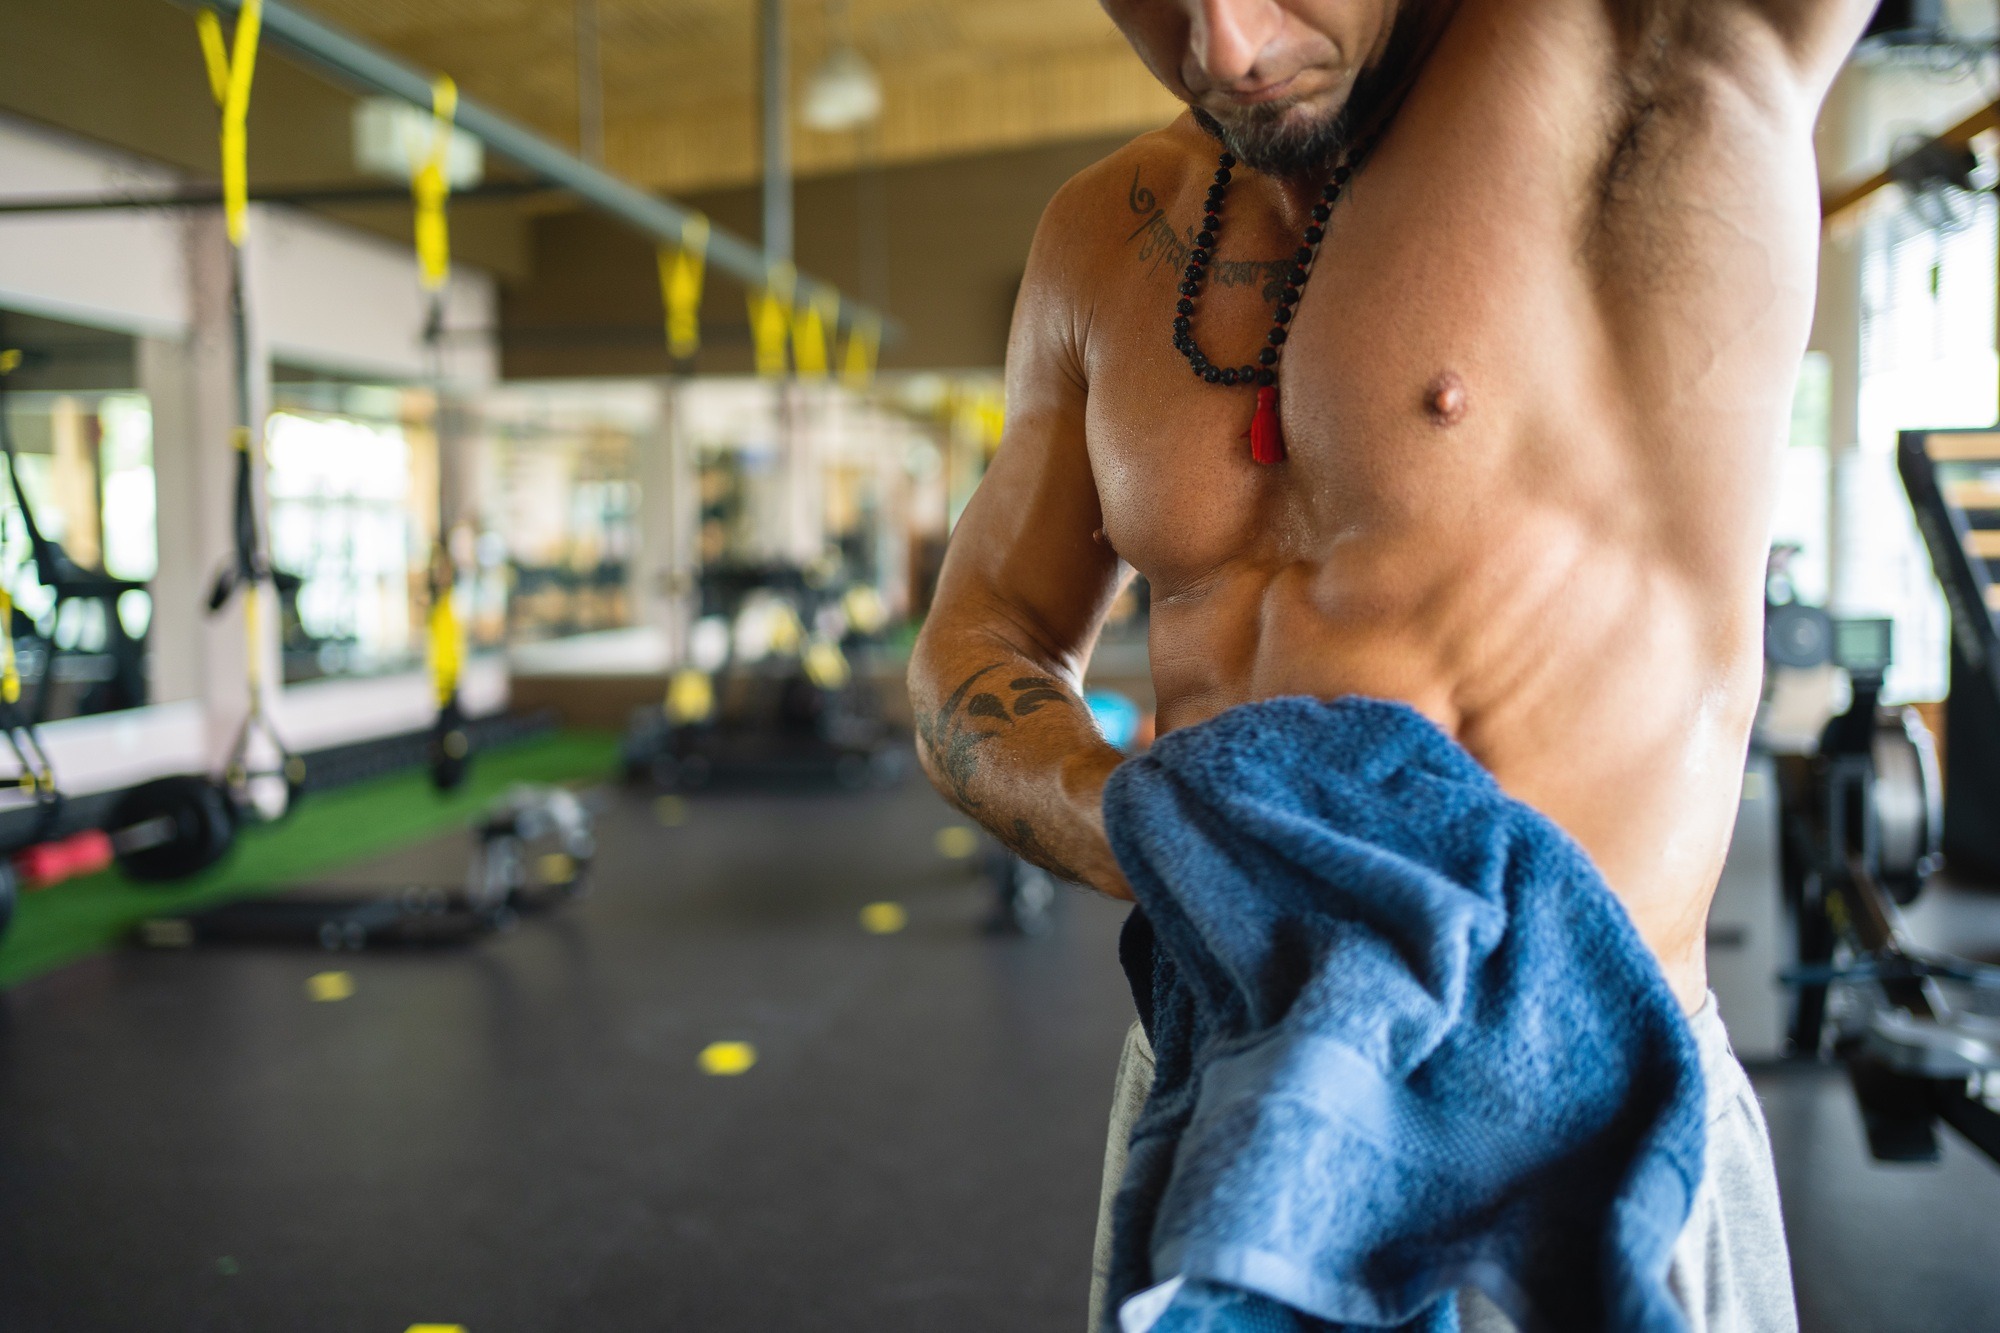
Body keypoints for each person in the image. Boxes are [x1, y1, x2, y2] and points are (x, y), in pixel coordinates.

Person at [909, 0, 1866, 1328]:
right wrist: (1170, 833)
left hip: (1568, 1109)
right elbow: (981, 639)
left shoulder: (1655, 52)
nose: (1227, 48)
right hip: (1223, 1084)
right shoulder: (1100, 234)